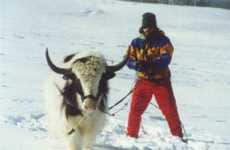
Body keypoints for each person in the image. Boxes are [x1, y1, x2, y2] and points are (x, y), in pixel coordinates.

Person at [126, 12, 184, 140]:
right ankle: (131, 136)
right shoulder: (136, 42)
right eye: (145, 27)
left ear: (155, 26)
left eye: (150, 26)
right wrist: (137, 65)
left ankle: (178, 137)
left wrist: (151, 65)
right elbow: (128, 59)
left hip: (161, 81)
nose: (147, 29)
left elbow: (166, 58)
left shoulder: (163, 41)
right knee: (135, 110)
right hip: (143, 81)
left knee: (170, 110)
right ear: (142, 27)